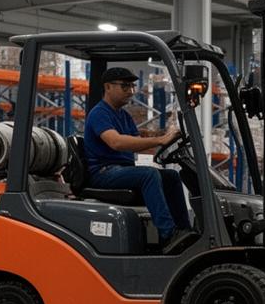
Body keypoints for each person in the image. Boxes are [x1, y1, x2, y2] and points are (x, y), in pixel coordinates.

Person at [83, 66, 195, 252]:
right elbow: (116, 142)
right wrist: (160, 139)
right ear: (108, 87)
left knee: (171, 176)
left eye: (132, 86)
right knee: (148, 175)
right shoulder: (99, 113)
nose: (131, 91)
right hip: (103, 172)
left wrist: (167, 137)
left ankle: (184, 230)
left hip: (120, 169)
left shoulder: (123, 115)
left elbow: (137, 141)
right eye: (125, 86)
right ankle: (169, 235)